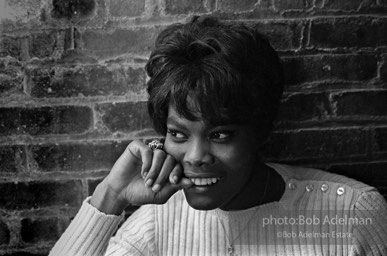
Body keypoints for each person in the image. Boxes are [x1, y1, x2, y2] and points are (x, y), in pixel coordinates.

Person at [50, 15, 387, 256]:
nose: (196, 156)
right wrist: (111, 196)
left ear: (260, 131)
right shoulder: (156, 225)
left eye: (221, 134)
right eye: (178, 135)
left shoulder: (351, 213)